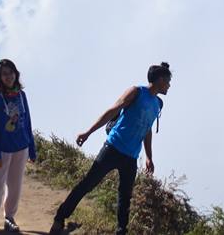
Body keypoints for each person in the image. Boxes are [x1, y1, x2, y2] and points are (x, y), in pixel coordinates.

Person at [48, 61, 172, 235]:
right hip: (113, 148)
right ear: (159, 80)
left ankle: (121, 232)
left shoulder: (158, 103)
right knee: (87, 184)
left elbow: (147, 129)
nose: (169, 85)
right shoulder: (136, 92)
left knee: (125, 198)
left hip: (131, 157)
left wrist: (149, 157)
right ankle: (60, 218)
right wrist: (88, 132)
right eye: (168, 80)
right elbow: (113, 110)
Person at [0, 58, 36, 233]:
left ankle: (9, 218)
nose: (9, 76)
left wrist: (32, 148)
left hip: (21, 148)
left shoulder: (21, 95)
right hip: (3, 150)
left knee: (15, 187)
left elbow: (27, 121)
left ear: (16, 73)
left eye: (11, 72)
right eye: (4, 74)